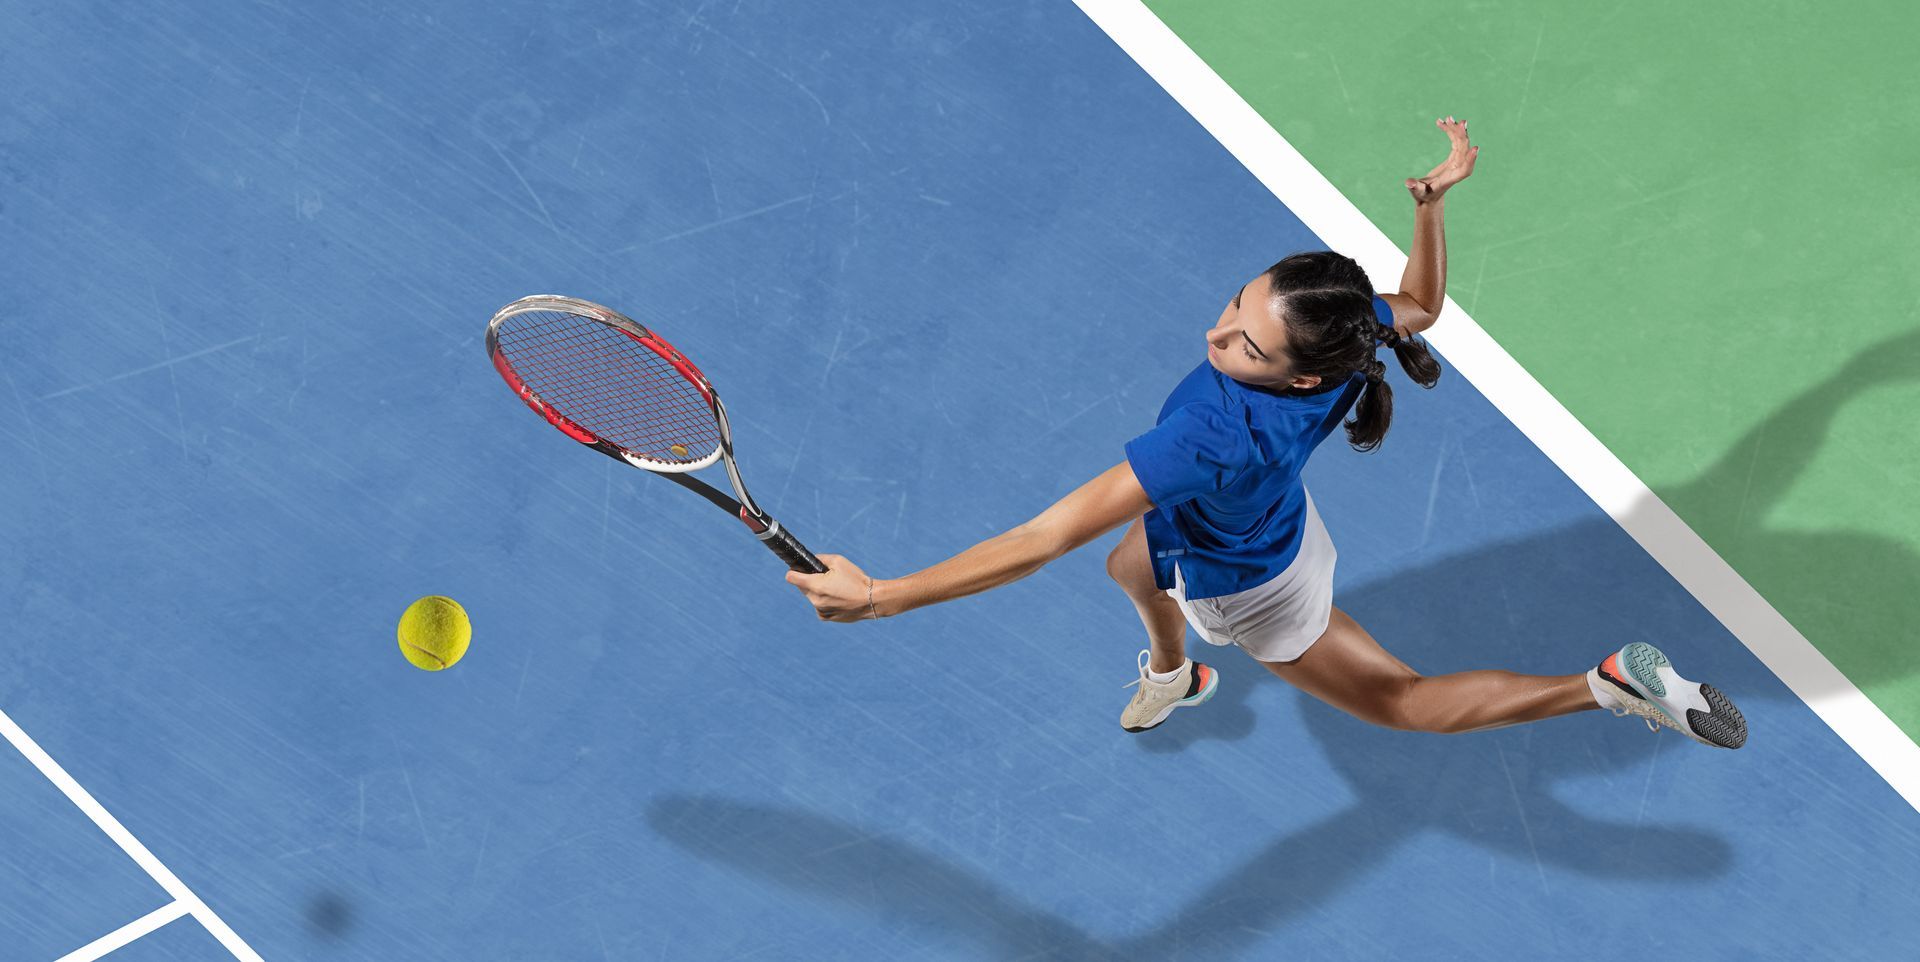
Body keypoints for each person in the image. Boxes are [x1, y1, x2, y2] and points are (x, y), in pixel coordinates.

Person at [786, 117, 1746, 750]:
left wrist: (882, 598)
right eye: (1232, 307)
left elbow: (1037, 541)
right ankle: (1175, 675)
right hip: (1271, 522)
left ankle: (1605, 683)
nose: (1215, 336)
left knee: (1403, 702)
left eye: (1245, 343)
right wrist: (1431, 208)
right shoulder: (1348, 340)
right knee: (1130, 561)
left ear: (1303, 371)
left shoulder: (1209, 432)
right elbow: (1420, 304)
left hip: (1257, 591)